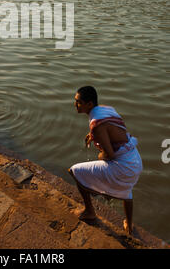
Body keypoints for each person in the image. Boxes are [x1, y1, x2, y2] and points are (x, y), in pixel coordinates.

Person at [68, 86, 143, 235]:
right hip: (134, 160)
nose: (75, 105)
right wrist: (92, 134)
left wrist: (100, 155)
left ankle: (90, 211)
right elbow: (110, 128)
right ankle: (128, 222)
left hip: (123, 166)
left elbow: (110, 155)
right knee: (126, 191)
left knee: (75, 172)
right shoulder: (105, 109)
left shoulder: (96, 125)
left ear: (89, 104)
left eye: (79, 102)